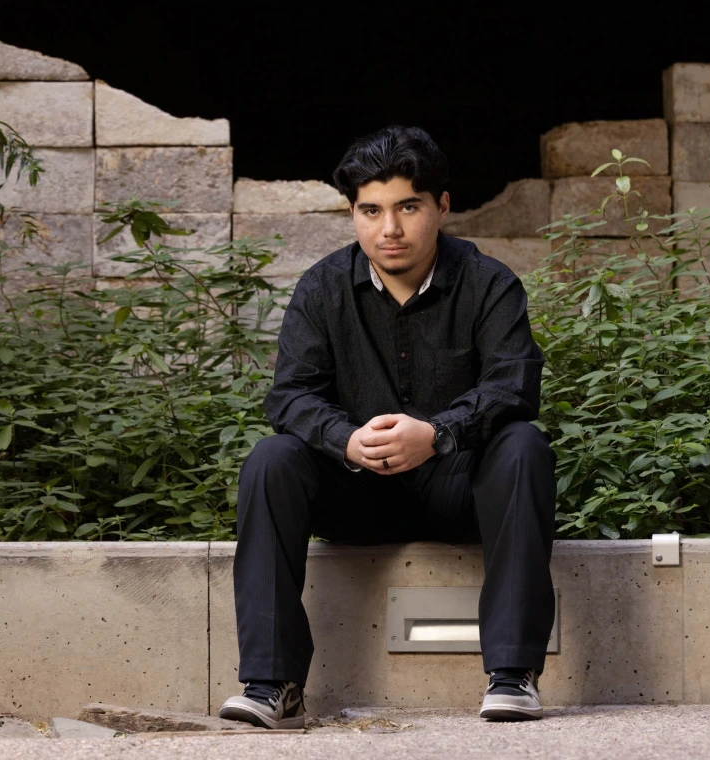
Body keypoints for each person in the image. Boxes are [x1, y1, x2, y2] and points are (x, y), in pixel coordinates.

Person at [218, 125, 557, 729]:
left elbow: (514, 387)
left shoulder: (489, 283)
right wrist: (345, 439)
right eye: (370, 211)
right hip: (358, 491)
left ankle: (513, 675)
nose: (389, 229)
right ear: (353, 213)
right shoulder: (322, 287)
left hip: (458, 489)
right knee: (272, 458)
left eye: (407, 207)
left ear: (442, 205)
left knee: (524, 445)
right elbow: (291, 397)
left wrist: (437, 433)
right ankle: (273, 685)